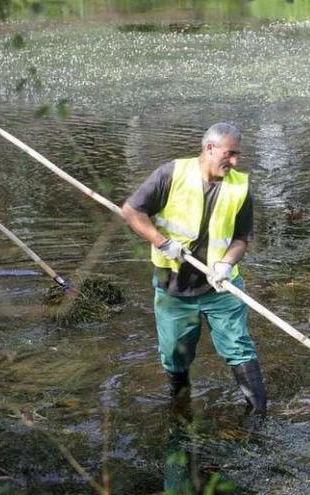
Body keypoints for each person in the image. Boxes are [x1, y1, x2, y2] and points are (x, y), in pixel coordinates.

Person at [121, 122, 266, 415]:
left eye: (238, 155)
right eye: (230, 154)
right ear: (210, 148)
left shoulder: (240, 187)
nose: (235, 162)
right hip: (173, 286)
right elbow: (131, 211)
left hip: (221, 287)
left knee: (238, 347)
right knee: (175, 354)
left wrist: (226, 264)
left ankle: (259, 415)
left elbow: (241, 239)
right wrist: (162, 243)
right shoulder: (171, 174)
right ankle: (181, 409)